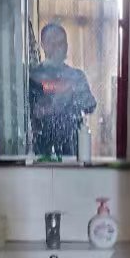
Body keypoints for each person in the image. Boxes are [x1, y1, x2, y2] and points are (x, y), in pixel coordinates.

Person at [30, 23, 97, 157]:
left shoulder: (77, 76)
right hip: (42, 151)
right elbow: (25, 111)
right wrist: (44, 109)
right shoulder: (32, 77)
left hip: (71, 149)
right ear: (43, 45)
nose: (58, 47)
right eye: (52, 42)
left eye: (61, 42)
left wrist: (75, 96)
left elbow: (90, 106)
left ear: (67, 45)